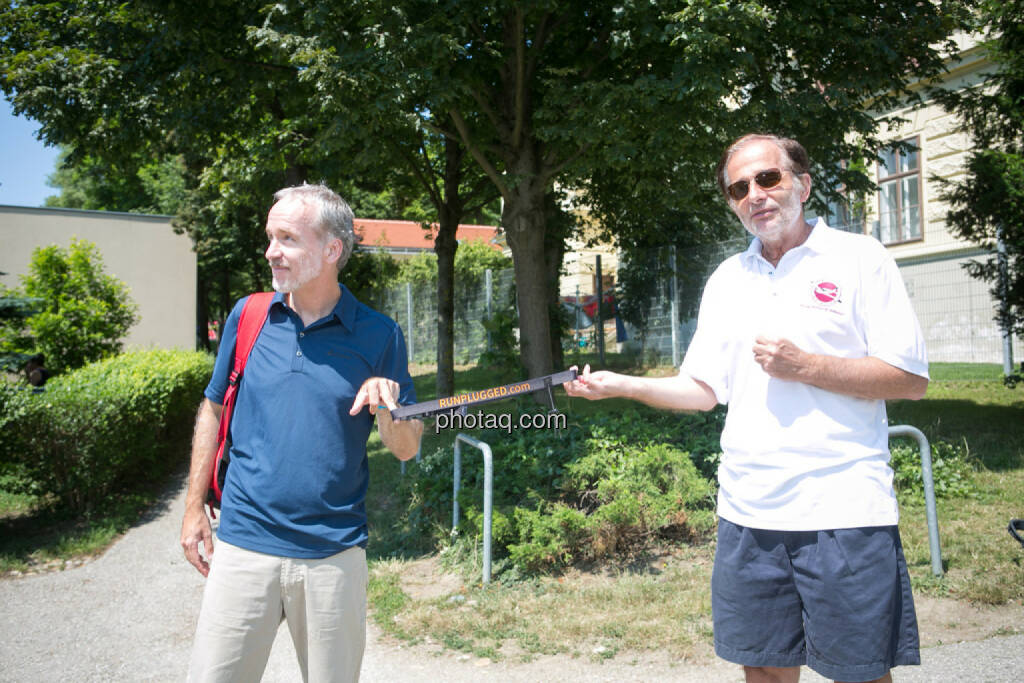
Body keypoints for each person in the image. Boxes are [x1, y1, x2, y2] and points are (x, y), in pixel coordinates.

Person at [565, 134, 928, 683]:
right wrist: (624, 384)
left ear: (802, 184)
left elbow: (909, 379)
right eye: (739, 188)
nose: (754, 194)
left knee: (862, 673)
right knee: (762, 672)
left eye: (768, 178)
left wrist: (805, 366)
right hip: (749, 513)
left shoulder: (860, 259)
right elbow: (703, 389)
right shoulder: (728, 279)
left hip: (845, 511)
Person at [180, 183, 424, 682]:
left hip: (333, 556)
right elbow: (211, 408)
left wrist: (388, 403)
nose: (272, 251)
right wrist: (192, 509)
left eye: (287, 238)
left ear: (332, 249)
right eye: (270, 237)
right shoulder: (248, 316)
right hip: (243, 544)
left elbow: (405, 448)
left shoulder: (380, 335)